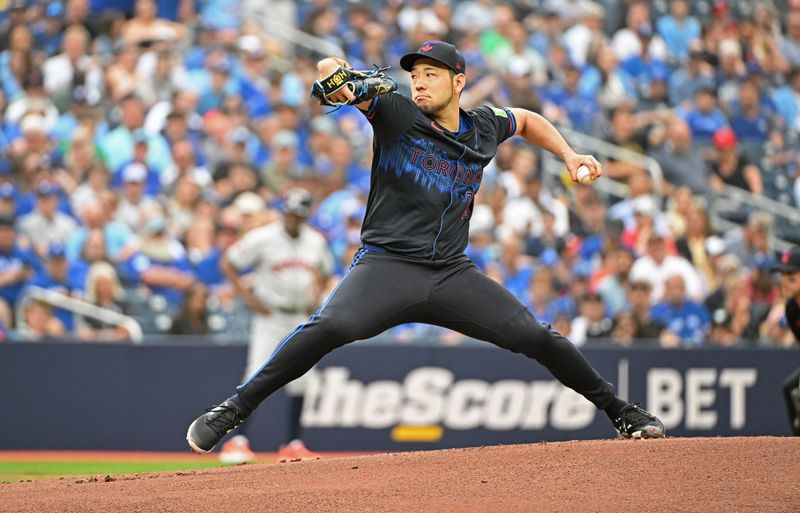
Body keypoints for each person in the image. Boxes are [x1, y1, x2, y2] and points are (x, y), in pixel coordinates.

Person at [187, 40, 666, 456]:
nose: (418, 83)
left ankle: (620, 410)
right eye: (414, 74)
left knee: (537, 336)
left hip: (452, 274)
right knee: (330, 326)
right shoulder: (395, 113)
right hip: (386, 266)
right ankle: (236, 407)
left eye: (431, 75)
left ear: (459, 82)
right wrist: (339, 78)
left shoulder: (483, 126)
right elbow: (331, 76)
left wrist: (568, 154)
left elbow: (525, 119)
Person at [217, 187, 333, 464]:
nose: (293, 219)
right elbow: (229, 262)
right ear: (283, 212)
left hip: (300, 317)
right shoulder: (264, 237)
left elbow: (325, 270)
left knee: (302, 380)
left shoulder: (315, 241)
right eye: (290, 213)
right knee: (256, 373)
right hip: (270, 316)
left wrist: (316, 295)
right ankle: (238, 440)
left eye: (298, 215)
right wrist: (248, 297)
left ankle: (293, 442)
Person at [769, 246, 800, 436]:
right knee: (790, 388)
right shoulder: (791, 309)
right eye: (782, 275)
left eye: (791, 275)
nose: (784, 281)